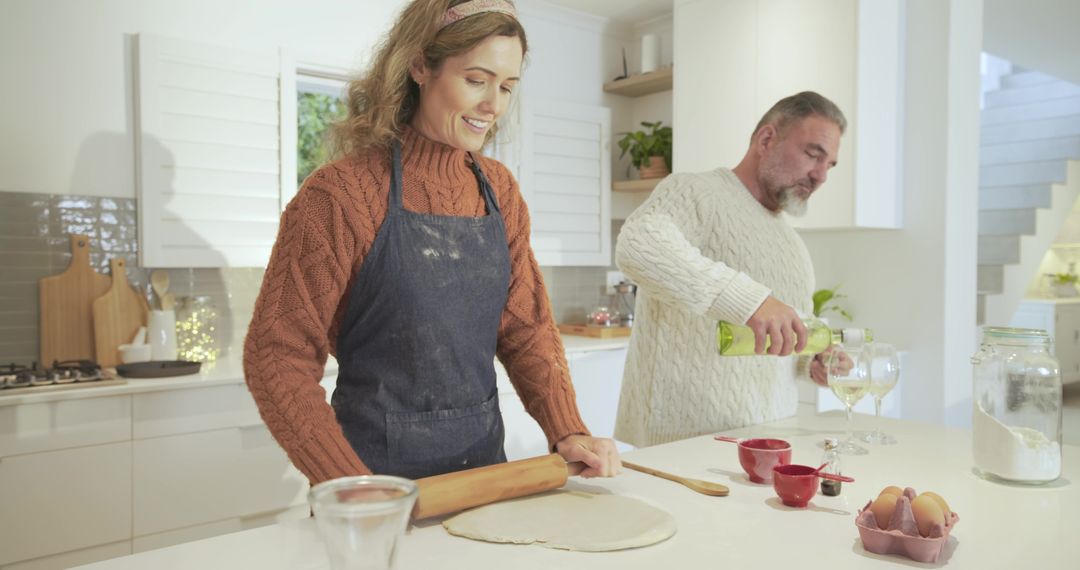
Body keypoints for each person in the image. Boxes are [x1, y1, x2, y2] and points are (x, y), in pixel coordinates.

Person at [244, 0, 620, 483]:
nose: (494, 105)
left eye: (507, 86)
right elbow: (277, 355)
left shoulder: (498, 190)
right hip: (373, 481)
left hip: (483, 474)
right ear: (420, 65)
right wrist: (349, 485)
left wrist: (567, 429)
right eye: (476, 80)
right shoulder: (339, 196)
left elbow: (526, 327)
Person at [613, 91, 846, 447]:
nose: (820, 176)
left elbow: (782, 338)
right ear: (767, 139)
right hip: (682, 448)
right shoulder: (695, 191)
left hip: (768, 447)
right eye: (813, 154)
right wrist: (750, 301)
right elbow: (639, 245)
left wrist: (812, 359)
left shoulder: (791, 242)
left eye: (829, 164)